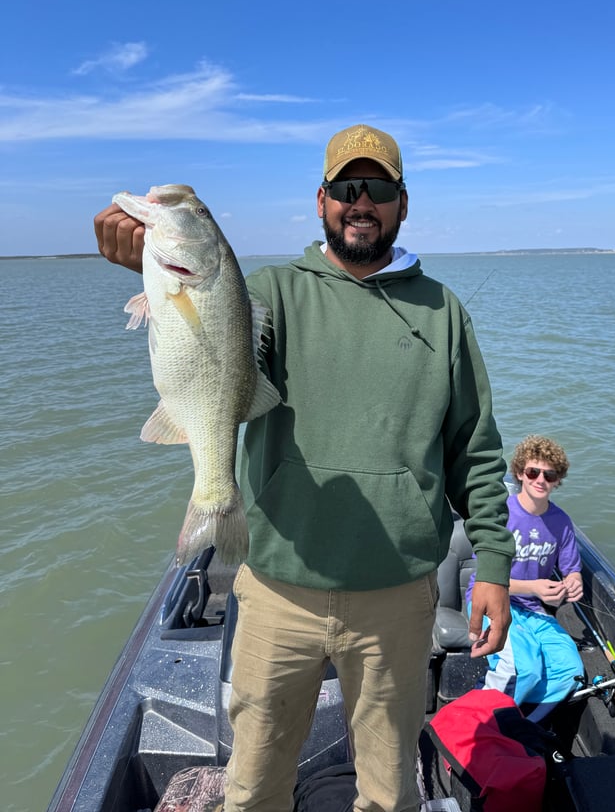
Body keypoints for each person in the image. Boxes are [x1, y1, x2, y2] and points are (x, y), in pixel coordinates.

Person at [94, 123, 515, 812]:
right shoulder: (269, 292)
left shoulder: (443, 312)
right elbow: (212, 348)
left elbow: (475, 445)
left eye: (377, 188)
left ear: (402, 204)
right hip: (277, 587)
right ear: (320, 201)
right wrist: (147, 268)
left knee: (390, 793)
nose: (361, 201)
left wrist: (493, 565)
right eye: (346, 188)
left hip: (397, 596)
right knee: (253, 787)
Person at [466, 434, 584, 724]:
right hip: (491, 603)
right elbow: (486, 578)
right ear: (520, 473)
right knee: (524, 669)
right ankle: (475, 727)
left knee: (571, 672)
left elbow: (572, 570)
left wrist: (574, 582)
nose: (540, 479)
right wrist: (534, 588)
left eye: (549, 474)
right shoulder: (501, 515)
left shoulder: (562, 522)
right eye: (533, 471)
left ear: (557, 480)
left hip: (534, 611)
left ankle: (521, 727)